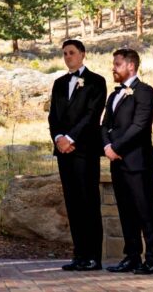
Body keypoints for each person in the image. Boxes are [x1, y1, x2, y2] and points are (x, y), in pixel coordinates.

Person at [47, 39, 107, 272]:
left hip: (83, 149)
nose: (67, 56)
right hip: (63, 150)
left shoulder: (96, 81)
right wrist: (58, 138)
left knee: (88, 202)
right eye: (64, 53)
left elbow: (92, 115)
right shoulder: (59, 83)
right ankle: (79, 254)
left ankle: (93, 257)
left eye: (71, 52)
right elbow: (53, 115)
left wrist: (70, 138)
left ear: (82, 54)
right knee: (72, 203)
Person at [102, 48, 153, 275]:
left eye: (117, 63)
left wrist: (116, 147)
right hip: (116, 161)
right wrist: (107, 146)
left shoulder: (145, 92)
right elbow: (104, 125)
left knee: (145, 210)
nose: (113, 67)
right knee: (126, 212)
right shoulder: (113, 95)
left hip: (138, 161)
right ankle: (132, 256)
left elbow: (140, 126)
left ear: (130, 65)